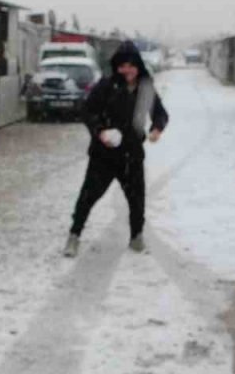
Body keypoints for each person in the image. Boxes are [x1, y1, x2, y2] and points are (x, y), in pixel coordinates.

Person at [64, 41, 169, 258]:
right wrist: (100, 131)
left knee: (137, 198)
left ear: (138, 65)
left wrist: (156, 129)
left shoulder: (145, 87)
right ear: (116, 67)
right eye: (122, 66)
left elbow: (160, 113)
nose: (127, 70)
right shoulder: (106, 85)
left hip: (132, 155)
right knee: (88, 196)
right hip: (104, 155)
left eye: (131, 65)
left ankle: (136, 236)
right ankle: (74, 235)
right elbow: (87, 111)